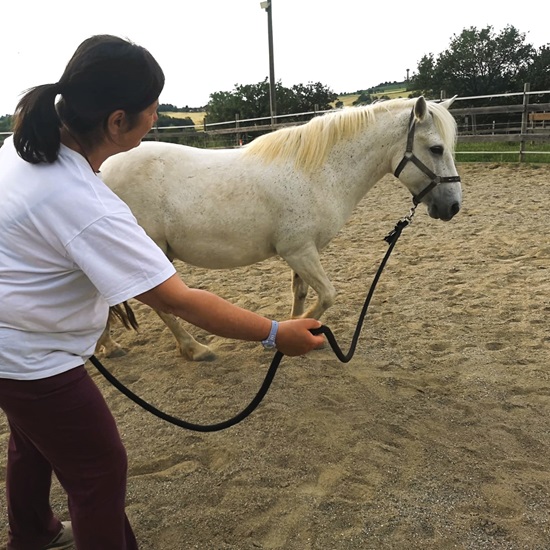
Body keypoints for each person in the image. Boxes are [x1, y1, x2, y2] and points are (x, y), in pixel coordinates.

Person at [0, 34, 324, 550]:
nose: (156, 118)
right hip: (32, 357)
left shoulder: (23, 150)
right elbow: (178, 299)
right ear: (116, 122)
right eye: (151, 111)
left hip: (14, 346)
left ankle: (32, 534)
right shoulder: (87, 204)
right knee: (100, 471)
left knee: (32, 441)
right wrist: (272, 333)